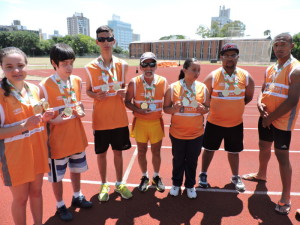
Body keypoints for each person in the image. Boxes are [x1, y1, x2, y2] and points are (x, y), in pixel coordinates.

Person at [242, 33, 300, 215]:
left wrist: (270, 117)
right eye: (276, 45)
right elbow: (264, 90)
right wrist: (259, 103)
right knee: (263, 146)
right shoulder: (271, 68)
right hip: (266, 116)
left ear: (291, 46)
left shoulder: (296, 69)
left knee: (282, 156)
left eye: (283, 44)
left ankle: (285, 198)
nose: (279, 48)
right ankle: (261, 174)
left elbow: (292, 100)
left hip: (282, 121)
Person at [0, 47, 54, 225]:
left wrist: (45, 119)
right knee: (21, 199)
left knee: (37, 192)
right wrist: (24, 125)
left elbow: (37, 119)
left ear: (26, 65)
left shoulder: (33, 89)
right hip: (14, 156)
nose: (16, 71)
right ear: (2, 67)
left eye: (20, 65)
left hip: (37, 150)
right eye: (9, 66)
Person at [39, 43, 92, 222]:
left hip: (76, 137)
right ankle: (60, 205)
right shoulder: (44, 86)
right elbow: (43, 117)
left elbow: (78, 104)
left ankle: (77, 195)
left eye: (71, 63)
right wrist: (58, 119)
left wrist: (81, 110)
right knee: (58, 177)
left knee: (76, 170)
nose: (69, 67)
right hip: (57, 142)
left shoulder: (76, 81)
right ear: (54, 63)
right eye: (64, 64)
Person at [198, 43, 255, 192]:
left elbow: (248, 97)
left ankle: (235, 176)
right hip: (214, 122)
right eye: (226, 55)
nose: (230, 58)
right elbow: (205, 98)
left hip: (235, 123)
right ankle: (203, 174)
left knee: (234, 152)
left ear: (237, 57)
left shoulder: (246, 76)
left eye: (233, 55)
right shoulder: (212, 76)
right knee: (209, 150)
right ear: (221, 57)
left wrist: (234, 106)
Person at [85, 25, 132, 202]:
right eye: (102, 39)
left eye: (109, 39)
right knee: (102, 154)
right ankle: (104, 183)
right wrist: (95, 95)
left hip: (119, 119)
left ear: (114, 41)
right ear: (97, 42)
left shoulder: (123, 65)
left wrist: (124, 91)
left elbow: (126, 86)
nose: (106, 42)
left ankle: (119, 183)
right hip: (101, 120)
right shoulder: (90, 67)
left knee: (119, 153)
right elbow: (88, 91)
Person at [163, 58, 210, 198]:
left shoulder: (203, 88)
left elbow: (207, 107)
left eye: (198, 70)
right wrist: (174, 108)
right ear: (184, 70)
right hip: (177, 133)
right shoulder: (173, 88)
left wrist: (203, 109)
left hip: (196, 133)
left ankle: (190, 185)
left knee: (192, 161)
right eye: (194, 70)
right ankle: (176, 184)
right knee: (178, 160)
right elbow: (165, 109)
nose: (197, 73)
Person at [125, 52, 167, 193]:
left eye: (152, 64)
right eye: (145, 64)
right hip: (141, 122)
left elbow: (169, 102)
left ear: (156, 66)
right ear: (140, 66)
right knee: (141, 151)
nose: (149, 67)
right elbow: (127, 102)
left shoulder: (163, 82)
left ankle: (156, 176)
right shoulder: (134, 82)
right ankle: (144, 177)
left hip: (156, 122)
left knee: (156, 151)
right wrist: (138, 109)